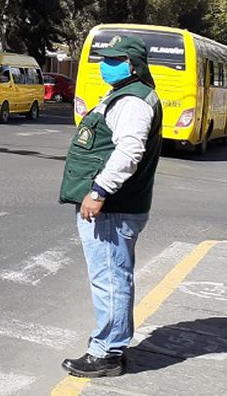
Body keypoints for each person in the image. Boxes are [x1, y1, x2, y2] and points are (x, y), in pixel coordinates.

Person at [58, 35, 163, 379]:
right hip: (115, 205)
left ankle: (108, 352)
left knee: (111, 278)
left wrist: (100, 190)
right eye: (106, 58)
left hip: (114, 207)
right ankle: (110, 345)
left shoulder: (133, 101)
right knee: (111, 275)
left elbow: (128, 151)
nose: (106, 65)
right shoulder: (127, 95)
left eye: (115, 60)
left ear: (133, 65)